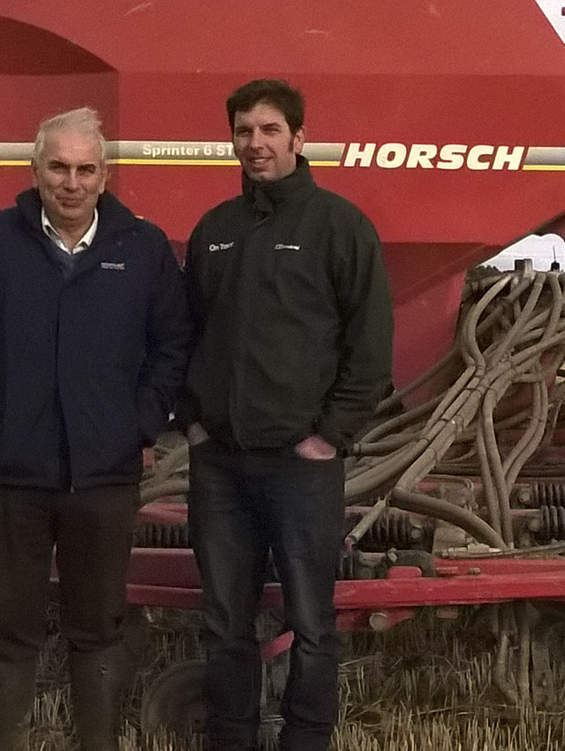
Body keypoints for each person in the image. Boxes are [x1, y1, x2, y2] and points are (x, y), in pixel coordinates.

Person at [0, 107, 190, 751]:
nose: (71, 182)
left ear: (105, 176)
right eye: (58, 167)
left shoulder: (142, 248)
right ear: (35, 170)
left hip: (103, 477)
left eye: (85, 169)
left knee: (98, 623)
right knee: (11, 623)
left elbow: (172, 346)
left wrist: (138, 422)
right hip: (9, 476)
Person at [178, 80, 393, 751]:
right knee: (224, 623)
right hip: (222, 467)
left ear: (299, 139)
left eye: (270, 130)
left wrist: (330, 437)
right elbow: (186, 334)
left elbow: (369, 345)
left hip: (302, 469)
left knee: (311, 624)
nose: (255, 144)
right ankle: (231, 740)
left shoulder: (339, 226)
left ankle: (306, 740)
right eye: (244, 131)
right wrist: (193, 420)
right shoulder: (215, 231)